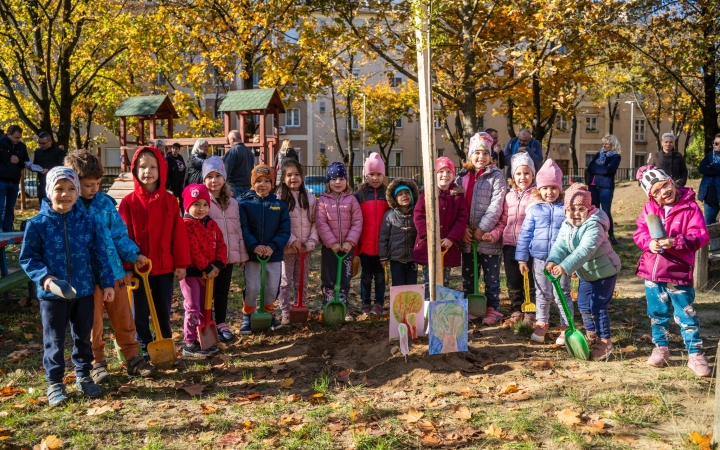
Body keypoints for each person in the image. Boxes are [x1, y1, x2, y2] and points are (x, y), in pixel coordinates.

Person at [19, 167, 115, 406]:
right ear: (49, 191)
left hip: (83, 290)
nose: (66, 194)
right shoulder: (37, 224)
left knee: (83, 335)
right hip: (52, 295)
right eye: (59, 189)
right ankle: (55, 383)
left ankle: (83, 376)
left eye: (71, 188)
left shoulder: (87, 221)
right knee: (54, 339)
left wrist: (106, 283)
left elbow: (98, 253)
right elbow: (28, 258)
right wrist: (46, 279)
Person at [64, 150, 156, 383]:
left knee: (124, 317)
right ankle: (97, 361)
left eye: (97, 183)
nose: (94, 189)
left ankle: (132, 357)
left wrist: (134, 255)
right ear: (74, 182)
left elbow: (118, 234)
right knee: (92, 321)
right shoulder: (68, 209)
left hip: (113, 272)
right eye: (88, 185)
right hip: (86, 277)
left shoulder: (105, 203)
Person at [633, 166, 711, 376]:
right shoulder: (649, 209)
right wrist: (649, 243)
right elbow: (639, 233)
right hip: (652, 273)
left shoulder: (690, 208)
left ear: (671, 182)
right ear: (652, 196)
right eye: (656, 191)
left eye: (665, 185)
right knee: (657, 314)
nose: (663, 192)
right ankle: (661, 348)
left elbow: (701, 236)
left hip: (678, 273)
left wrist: (675, 242)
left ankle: (695, 353)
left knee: (685, 314)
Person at [119, 146, 191, 360]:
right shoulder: (129, 202)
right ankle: (143, 342)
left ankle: (164, 338)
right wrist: (127, 267)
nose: (147, 171)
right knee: (140, 310)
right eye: (142, 167)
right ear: (135, 170)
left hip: (164, 267)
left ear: (161, 170)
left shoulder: (169, 201)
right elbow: (124, 236)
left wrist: (181, 263)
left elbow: (178, 234)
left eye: (152, 167)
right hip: (139, 269)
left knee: (162, 308)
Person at [546, 183, 621, 360]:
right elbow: (560, 245)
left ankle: (605, 342)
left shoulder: (595, 225)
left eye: (581, 208)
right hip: (586, 274)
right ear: (565, 211)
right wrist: (553, 259)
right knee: (584, 305)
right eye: (571, 209)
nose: (576, 213)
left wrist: (565, 266)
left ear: (589, 209)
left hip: (605, 272)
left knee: (598, 307)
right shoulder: (567, 225)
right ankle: (591, 335)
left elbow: (586, 250)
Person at [516, 159, 569, 343]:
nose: (550, 192)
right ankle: (541, 324)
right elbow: (524, 235)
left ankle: (566, 327)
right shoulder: (534, 210)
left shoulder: (566, 210)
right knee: (542, 292)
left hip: (561, 260)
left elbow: (572, 235)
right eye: (545, 188)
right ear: (539, 189)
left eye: (554, 188)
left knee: (562, 291)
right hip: (539, 259)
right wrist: (522, 259)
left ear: (559, 189)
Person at [457, 132, 507, 325]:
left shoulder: (496, 177)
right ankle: (470, 308)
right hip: (468, 237)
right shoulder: (462, 177)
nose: (481, 157)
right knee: (469, 275)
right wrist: (463, 229)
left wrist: (483, 228)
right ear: (470, 155)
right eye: (477, 153)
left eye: (485, 153)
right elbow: (458, 205)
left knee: (491, 276)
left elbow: (497, 205)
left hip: (487, 237)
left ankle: (492, 308)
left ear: (490, 156)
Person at [238, 165, 291, 334]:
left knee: (271, 286)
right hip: (253, 255)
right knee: (252, 286)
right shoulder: (244, 204)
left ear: (272, 184)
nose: (262, 185)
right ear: (252, 183)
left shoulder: (279, 205)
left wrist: (272, 246)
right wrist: (254, 246)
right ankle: (248, 315)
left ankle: (269, 313)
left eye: (266, 181)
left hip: (273, 255)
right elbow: (244, 228)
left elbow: (284, 230)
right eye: (258, 181)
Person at [180, 183, 227, 358]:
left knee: (205, 307)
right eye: (196, 204)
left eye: (205, 204)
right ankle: (189, 342)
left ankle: (203, 339)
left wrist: (219, 265)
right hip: (192, 274)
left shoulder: (212, 224)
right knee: (192, 307)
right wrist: (207, 267)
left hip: (209, 274)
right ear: (187, 206)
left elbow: (221, 245)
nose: (201, 209)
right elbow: (192, 250)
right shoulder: (186, 225)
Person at [203, 156, 248, 341]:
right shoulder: (201, 201)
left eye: (218, 176)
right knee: (207, 293)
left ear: (224, 178)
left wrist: (242, 253)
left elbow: (237, 229)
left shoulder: (233, 203)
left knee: (222, 291)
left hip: (227, 257)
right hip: (207, 258)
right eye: (209, 176)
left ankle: (221, 322)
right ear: (204, 180)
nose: (214, 180)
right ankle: (208, 321)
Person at [414, 157, 468, 298]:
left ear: (454, 175)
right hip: (428, 246)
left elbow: (461, 218)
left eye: (449, 171)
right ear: (434, 174)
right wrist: (428, 237)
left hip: (447, 247)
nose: (445, 175)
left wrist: (451, 238)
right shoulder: (427, 194)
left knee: (444, 280)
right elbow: (419, 215)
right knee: (429, 280)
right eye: (441, 171)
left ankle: (440, 311)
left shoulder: (457, 195)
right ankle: (428, 309)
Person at [316, 162, 363, 322]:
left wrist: (350, 242)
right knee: (328, 276)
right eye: (334, 179)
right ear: (328, 181)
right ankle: (328, 303)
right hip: (330, 248)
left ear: (346, 181)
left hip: (347, 248)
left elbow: (357, 221)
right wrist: (332, 243)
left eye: (341, 178)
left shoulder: (351, 199)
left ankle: (343, 304)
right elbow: (321, 223)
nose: (338, 182)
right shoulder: (322, 200)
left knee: (345, 277)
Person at [275, 159, 318, 325]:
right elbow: (279, 222)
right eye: (289, 175)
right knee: (285, 281)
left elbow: (315, 221)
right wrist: (290, 240)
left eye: (297, 174)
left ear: (303, 176)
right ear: (283, 178)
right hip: (287, 249)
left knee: (302, 281)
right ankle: (286, 312)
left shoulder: (310, 197)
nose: (293, 178)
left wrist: (311, 240)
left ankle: (300, 308)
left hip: (304, 249)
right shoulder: (279, 197)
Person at [501, 153, 537, 327]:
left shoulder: (537, 195)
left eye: (527, 173)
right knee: (513, 279)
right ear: (512, 176)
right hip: (509, 244)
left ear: (533, 175)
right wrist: (494, 235)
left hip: (529, 246)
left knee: (529, 278)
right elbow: (503, 219)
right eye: (519, 173)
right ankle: (516, 309)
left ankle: (530, 311)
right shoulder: (508, 196)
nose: (523, 177)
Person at [354, 153, 389, 315]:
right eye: (371, 174)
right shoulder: (359, 195)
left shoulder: (388, 195)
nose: (375, 178)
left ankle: (379, 302)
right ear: (366, 175)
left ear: (383, 175)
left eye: (378, 174)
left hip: (383, 246)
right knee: (366, 276)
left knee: (380, 277)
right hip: (365, 244)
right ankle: (366, 302)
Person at [379, 178, 419, 287]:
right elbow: (383, 237)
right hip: (396, 259)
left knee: (412, 286)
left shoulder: (417, 213)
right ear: (394, 199)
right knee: (398, 286)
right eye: (400, 194)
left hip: (412, 259)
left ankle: (411, 304)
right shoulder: (389, 215)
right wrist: (383, 256)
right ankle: (398, 305)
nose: (404, 196)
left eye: (407, 193)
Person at [585, 134, 622, 245]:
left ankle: (611, 236)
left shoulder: (616, 157)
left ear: (613, 145)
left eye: (606, 143)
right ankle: (595, 235)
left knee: (606, 212)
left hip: (606, 186)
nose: (604, 145)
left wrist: (598, 169)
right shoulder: (598, 154)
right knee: (594, 211)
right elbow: (590, 167)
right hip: (592, 185)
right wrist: (602, 169)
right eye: (603, 143)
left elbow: (608, 170)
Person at [0, 125, 30, 231]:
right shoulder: (1, 143)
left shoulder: (21, 146)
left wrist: (19, 161)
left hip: (14, 181)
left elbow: (26, 162)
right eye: (16, 137)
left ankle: (7, 232)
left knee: (9, 209)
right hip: (2, 180)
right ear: (9, 134)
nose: (18, 140)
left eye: (19, 137)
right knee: (0, 208)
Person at [33, 132, 66, 203]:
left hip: (55, 183)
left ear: (50, 141)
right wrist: (31, 167)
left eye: (44, 143)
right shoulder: (38, 152)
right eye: (40, 143)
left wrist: (49, 170)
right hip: (42, 183)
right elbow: (35, 164)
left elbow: (61, 167)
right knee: (43, 204)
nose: (41, 145)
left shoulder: (58, 152)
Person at [224, 130, 255, 199]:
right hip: (247, 186)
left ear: (232, 139)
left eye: (229, 140)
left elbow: (226, 170)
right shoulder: (249, 152)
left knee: (234, 208)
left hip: (234, 186)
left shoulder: (232, 151)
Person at [697, 133, 720, 225]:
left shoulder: (711, 161)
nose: (714, 145)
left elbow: (708, 169)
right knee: (708, 224)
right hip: (710, 197)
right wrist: (717, 171)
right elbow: (701, 168)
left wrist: (712, 166)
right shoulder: (710, 156)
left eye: (717, 143)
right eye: (713, 143)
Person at [166, 142, 187, 211]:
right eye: (173, 148)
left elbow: (183, 168)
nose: (174, 150)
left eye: (176, 149)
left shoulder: (180, 157)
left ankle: (183, 213)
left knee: (182, 198)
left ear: (179, 150)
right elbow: (167, 171)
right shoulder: (168, 158)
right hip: (173, 182)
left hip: (181, 181)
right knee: (174, 198)